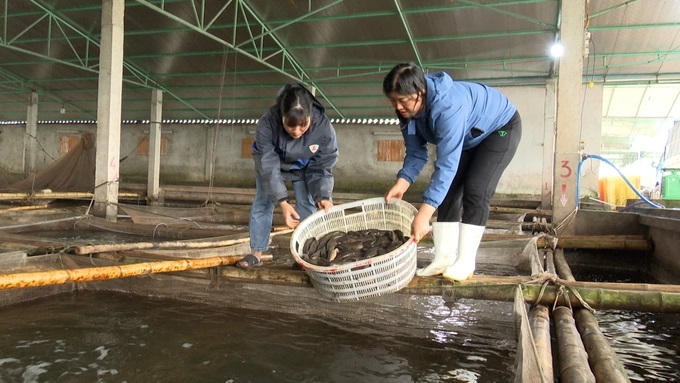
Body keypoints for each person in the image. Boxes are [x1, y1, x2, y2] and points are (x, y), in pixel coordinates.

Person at [382, 63, 521, 281]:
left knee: (476, 190)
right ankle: (443, 258)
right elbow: (417, 153)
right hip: (469, 137)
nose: (398, 106)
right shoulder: (407, 112)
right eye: (393, 100)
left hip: (500, 128)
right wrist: (403, 182)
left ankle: (465, 261)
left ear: (421, 92)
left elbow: (447, 165)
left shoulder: (448, 107)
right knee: (446, 193)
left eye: (403, 100)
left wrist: (424, 214)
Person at [236, 83, 339, 268]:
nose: (297, 132)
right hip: (272, 165)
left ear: (310, 116)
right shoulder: (268, 122)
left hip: (303, 167)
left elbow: (322, 165)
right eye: (291, 126)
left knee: (307, 205)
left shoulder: (323, 127)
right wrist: (282, 202)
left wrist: (323, 195)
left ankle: (305, 255)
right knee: (262, 202)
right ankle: (256, 253)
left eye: (303, 126)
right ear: (282, 116)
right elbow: (268, 164)